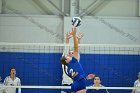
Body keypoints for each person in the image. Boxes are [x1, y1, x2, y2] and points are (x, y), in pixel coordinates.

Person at [60, 27, 94, 93]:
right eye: (69, 53)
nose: (70, 54)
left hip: (75, 83)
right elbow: (71, 49)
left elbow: (76, 50)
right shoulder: (64, 61)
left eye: (72, 53)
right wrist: (68, 39)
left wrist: (78, 40)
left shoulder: (74, 61)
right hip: (66, 84)